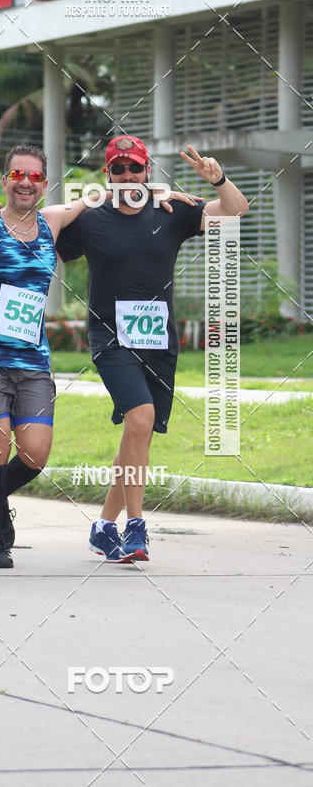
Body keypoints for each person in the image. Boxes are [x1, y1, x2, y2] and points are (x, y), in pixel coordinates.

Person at [0, 140, 199, 568]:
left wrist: (159, 192)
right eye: (17, 174)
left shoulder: (52, 222)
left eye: (34, 176)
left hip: (32, 359)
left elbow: (106, 191)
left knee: (36, 453)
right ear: (5, 180)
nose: (25, 182)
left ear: (44, 184)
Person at [55, 137, 249, 563]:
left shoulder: (173, 211)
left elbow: (236, 210)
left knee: (138, 431)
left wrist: (218, 180)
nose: (128, 177)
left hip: (159, 340)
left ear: (147, 171)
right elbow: (40, 236)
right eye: (118, 170)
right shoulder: (90, 219)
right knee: (139, 418)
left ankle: (104, 526)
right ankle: (136, 529)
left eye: (135, 169)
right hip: (111, 339)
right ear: (109, 174)